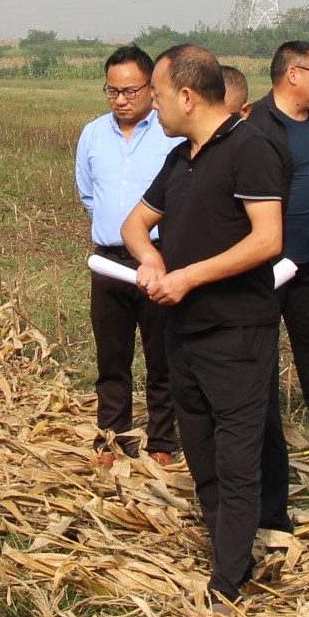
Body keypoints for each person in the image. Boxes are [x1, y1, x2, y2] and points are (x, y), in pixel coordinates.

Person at [124, 45, 287, 604]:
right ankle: (229, 551)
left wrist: (189, 277)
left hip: (236, 332)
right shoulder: (180, 159)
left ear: (188, 96)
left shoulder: (250, 149)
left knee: (237, 458)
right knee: (202, 453)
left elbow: (267, 239)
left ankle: (228, 583)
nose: (154, 108)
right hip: (184, 331)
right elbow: (134, 224)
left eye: (159, 96)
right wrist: (151, 258)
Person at [77, 44, 183, 469]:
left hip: (160, 259)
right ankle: (112, 437)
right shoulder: (92, 134)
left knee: (163, 355)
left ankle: (162, 440)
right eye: (112, 91)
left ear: (150, 87)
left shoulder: (170, 133)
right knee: (111, 357)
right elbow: (88, 194)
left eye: (130, 91)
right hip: (108, 263)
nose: (120, 100)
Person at [244, 42, 309, 440]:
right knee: (261, 339)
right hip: (267, 259)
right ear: (293, 74)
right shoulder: (256, 122)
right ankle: (261, 417)